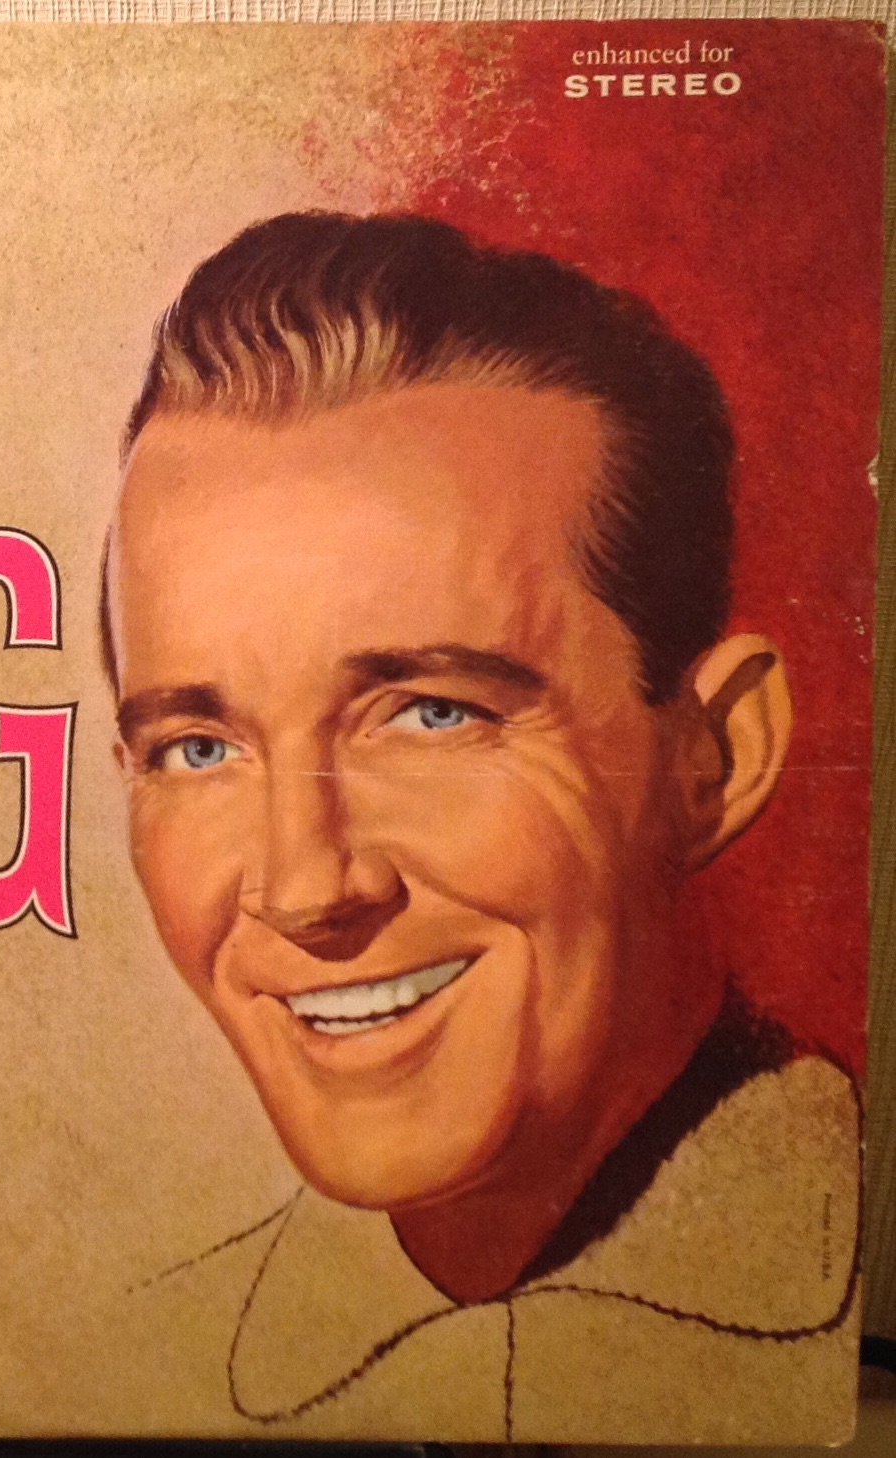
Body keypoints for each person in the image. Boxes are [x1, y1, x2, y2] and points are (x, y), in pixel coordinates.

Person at [101, 212, 859, 1444]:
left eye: (430, 715)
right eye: (197, 748)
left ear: (712, 759)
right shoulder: (113, 1351)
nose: (303, 887)